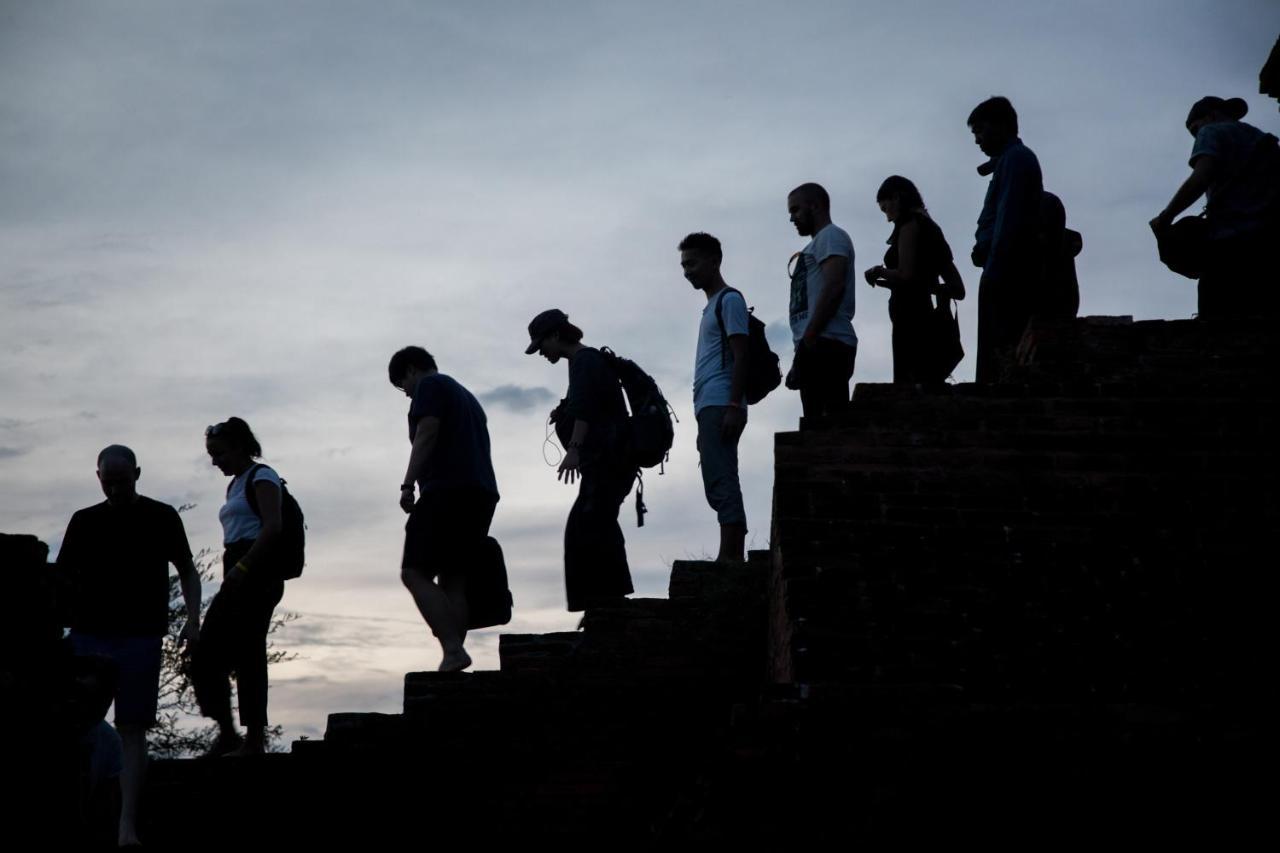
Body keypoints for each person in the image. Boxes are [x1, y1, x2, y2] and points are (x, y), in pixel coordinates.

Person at [56, 445, 201, 845]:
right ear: (98, 477)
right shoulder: (84, 521)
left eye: (123, 480)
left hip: (140, 634)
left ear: (138, 473)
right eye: (109, 482)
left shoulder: (161, 516)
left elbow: (187, 570)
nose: (116, 489)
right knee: (77, 726)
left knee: (132, 727)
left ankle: (127, 826)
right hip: (89, 633)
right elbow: (62, 578)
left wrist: (193, 620)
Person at [388, 347, 500, 672]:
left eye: (402, 385)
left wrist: (408, 484)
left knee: (413, 572)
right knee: (454, 580)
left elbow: (427, 431)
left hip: (447, 492)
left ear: (411, 370)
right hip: (480, 495)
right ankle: (454, 657)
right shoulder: (468, 398)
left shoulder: (430, 386)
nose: (406, 393)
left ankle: (452, 650)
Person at [526, 309, 635, 611]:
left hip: (608, 461)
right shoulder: (584, 362)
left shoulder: (584, 361)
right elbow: (584, 404)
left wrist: (573, 449)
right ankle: (607, 602)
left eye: (541, 345)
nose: (541, 353)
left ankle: (605, 603)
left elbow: (586, 409)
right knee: (596, 523)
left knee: (586, 525)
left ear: (556, 335)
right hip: (610, 461)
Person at [193, 418, 288, 756]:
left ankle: (255, 739)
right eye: (211, 454)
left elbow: (273, 527)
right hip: (236, 567)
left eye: (218, 453)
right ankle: (228, 731)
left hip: (257, 570)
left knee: (248, 651)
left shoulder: (262, 476)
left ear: (238, 447)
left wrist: (245, 566)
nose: (215, 460)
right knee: (205, 653)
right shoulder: (234, 486)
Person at [1149, 95, 1280, 318]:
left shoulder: (1212, 131)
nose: (1196, 135)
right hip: (1269, 247)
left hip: (1229, 248)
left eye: (1195, 129)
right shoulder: (1263, 141)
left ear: (1211, 116)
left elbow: (1200, 178)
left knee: (1218, 329)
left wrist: (1166, 217)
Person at [679, 232, 750, 563]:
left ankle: (731, 556)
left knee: (721, 476)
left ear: (713, 260)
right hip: (711, 404)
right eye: (684, 265)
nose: (687, 271)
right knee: (716, 474)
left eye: (692, 263)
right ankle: (730, 553)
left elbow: (742, 355)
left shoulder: (729, 300)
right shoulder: (711, 307)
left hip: (723, 401)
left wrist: (734, 405)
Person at [968, 96, 1044, 382]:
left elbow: (1009, 221)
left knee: (1003, 362)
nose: (977, 140)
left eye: (980, 130)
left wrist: (995, 270)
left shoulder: (1017, 159)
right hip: (1001, 269)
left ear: (1001, 126)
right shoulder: (1008, 162)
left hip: (1007, 275)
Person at [863, 176, 966, 385]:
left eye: (886, 209)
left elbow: (906, 274)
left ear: (897, 198)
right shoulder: (932, 229)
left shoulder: (909, 225)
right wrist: (926, 285)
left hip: (909, 318)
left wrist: (878, 271)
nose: (887, 218)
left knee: (908, 386)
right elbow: (958, 289)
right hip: (925, 314)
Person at [786, 183, 858, 417]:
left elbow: (835, 286)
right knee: (815, 429)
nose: (792, 218)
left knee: (828, 430)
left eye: (796, 210)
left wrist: (810, 336)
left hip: (827, 343)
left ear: (815, 206)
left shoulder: (831, 236)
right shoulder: (816, 244)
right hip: (814, 344)